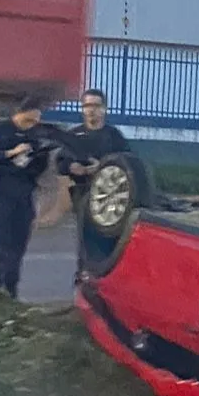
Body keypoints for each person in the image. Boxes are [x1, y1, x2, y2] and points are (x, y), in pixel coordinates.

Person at [0, 95, 52, 299]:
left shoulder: (36, 136)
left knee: (18, 245)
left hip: (25, 195)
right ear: (18, 114)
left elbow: (41, 167)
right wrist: (11, 153)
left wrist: (34, 159)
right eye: (27, 121)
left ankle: (11, 289)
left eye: (35, 122)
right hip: (2, 195)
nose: (31, 126)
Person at [57, 89, 130, 273]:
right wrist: (71, 167)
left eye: (96, 106)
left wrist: (102, 166)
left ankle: (104, 280)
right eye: (87, 105)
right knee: (85, 241)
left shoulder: (114, 136)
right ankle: (83, 280)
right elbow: (60, 162)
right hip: (83, 194)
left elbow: (127, 163)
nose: (91, 110)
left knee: (108, 242)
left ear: (104, 109)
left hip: (110, 198)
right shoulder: (73, 135)